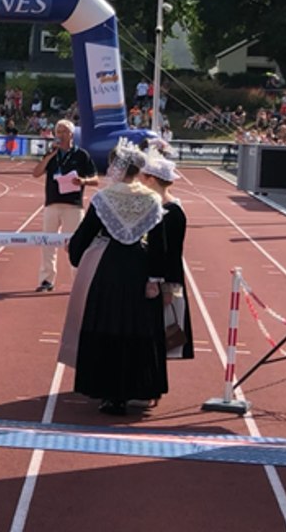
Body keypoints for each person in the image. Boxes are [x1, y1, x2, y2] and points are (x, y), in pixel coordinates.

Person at [60, 140, 168, 416]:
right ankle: (136, 387)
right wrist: (155, 277)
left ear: (119, 167)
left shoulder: (104, 198)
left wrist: (74, 251)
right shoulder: (152, 199)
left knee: (107, 323)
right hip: (138, 266)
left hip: (107, 268)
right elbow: (159, 243)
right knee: (135, 326)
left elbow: (85, 234)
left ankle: (108, 392)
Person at [31, 120, 98, 292]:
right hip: (52, 204)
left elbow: (95, 179)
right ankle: (46, 280)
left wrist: (83, 181)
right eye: (57, 131)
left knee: (76, 244)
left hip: (73, 206)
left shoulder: (81, 155)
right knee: (48, 243)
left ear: (71, 134)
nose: (59, 135)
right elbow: (36, 173)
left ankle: (78, 280)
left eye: (63, 131)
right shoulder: (51, 154)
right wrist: (48, 158)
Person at [141, 151, 193, 362]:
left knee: (160, 335)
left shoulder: (171, 212)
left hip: (164, 281)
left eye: (143, 178)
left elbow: (171, 253)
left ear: (152, 180)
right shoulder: (160, 208)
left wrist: (167, 288)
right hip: (156, 278)